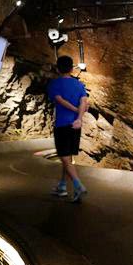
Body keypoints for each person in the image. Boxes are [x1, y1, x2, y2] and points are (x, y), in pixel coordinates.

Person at [47, 55, 89, 203]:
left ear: (58, 69)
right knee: (68, 157)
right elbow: (84, 101)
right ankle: (63, 186)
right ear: (72, 68)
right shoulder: (79, 85)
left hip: (62, 124)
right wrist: (79, 117)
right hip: (76, 125)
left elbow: (60, 100)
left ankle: (77, 184)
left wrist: (75, 111)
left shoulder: (55, 84)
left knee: (64, 157)